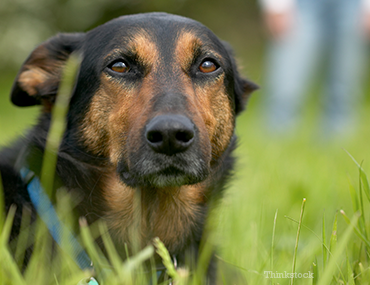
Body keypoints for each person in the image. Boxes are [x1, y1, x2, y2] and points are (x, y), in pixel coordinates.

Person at [261, 0, 370, 136]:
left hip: (355, 5)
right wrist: (275, 5)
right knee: (284, 87)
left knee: (345, 88)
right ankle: (276, 139)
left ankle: (338, 144)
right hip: (300, 4)